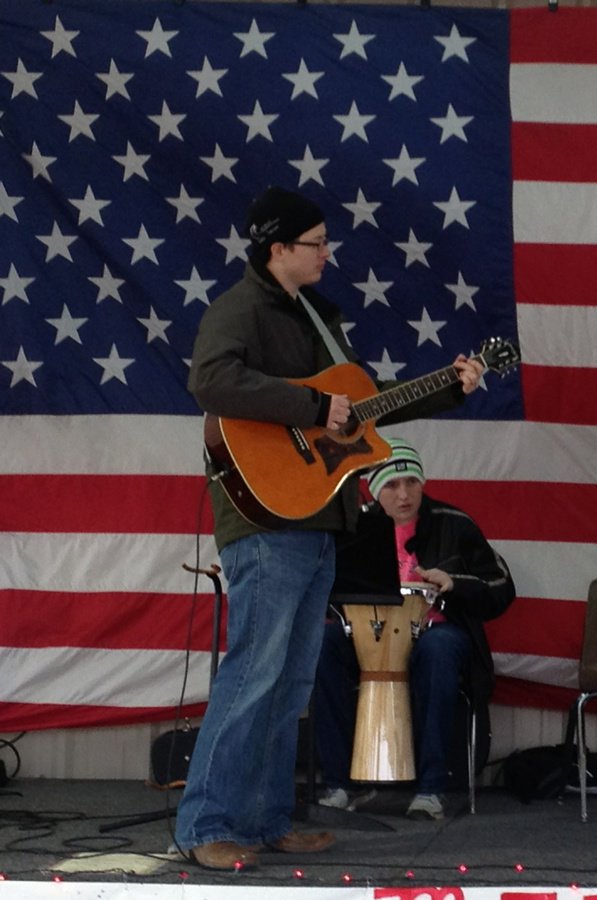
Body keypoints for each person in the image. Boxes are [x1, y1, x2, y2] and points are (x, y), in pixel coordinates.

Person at [178, 186, 484, 870]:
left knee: (289, 681)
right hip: (264, 515)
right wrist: (314, 403)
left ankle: (261, 820)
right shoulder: (239, 308)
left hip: (319, 516)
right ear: (278, 248)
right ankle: (205, 826)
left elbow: (360, 416)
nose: (326, 253)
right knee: (254, 674)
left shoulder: (318, 316)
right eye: (315, 243)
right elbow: (212, 380)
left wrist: (449, 388)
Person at [311, 438, 516, 820]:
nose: (404, 495)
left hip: (434, 631)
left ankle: (431, 790)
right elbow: (322, 587)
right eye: (391, 485)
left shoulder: (454, 523)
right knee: (321, 645)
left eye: (412, 483)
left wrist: (454, 583)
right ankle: (338, 783)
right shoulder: (352, 526)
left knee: (438, 651)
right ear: (373, 489)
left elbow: (503, 589)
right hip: (365, 634)